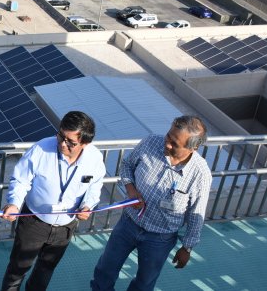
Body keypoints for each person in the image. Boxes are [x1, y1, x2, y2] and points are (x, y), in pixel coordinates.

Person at [91, 115, 212, 291]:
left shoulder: (200, 174)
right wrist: (131, 190)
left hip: (160, 239)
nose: (167, 144)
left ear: (193, 147)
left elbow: (196, 214)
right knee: (105, 270)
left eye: (175, 144)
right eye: (168, 136)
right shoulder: (150, 143)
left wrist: (187, 247)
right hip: (128, 224)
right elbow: (126, 166)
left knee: (144, 284)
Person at [0, 111, 105, 291]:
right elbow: (20, 180)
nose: (63, 144)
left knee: (46, 269)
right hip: (33, 222)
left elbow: (95, 186)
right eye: (60, 136)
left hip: (65, 226)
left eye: (71, 143)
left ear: (85, 143)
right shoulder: (41, 149)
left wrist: (88, 205)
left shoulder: (94, 158)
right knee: (18, 269)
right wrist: (14, 203)